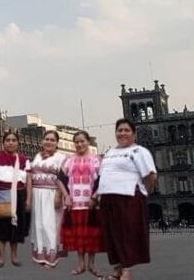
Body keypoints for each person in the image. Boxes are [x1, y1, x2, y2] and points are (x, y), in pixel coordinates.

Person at [94, 118, 157, 280]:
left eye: (126, 130)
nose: (122, 133)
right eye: (119, 130)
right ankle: (117, 270)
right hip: (108, 199)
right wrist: (95, 195)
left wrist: (144, 193)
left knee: (125, 234)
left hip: (127, 198)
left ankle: (127, 272)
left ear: (134, 134)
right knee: (112, 235)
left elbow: (151, 176)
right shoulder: (110, 153)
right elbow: (103, 176)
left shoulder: (139, 151)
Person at [60, 130, 104, 276]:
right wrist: (66, 196)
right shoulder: (69, 160)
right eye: (77, 142)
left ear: (88, 142)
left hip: (91, 202)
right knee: (79, 234)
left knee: (91, 234)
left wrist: (95, 196)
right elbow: (60, 179)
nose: (79, 144)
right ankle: (80, 264)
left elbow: (102, 179)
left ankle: (91, 264)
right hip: (75, 202)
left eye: (82, 141)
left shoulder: (96, 160)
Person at [0, 131, 30, 268]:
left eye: (13, 140)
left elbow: (29, 180)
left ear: (18, 143)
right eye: (8, 140)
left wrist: (29, 199)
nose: (10, 142)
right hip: (1, 194)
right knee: (1, 227)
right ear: (3, 143)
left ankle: (14, 256)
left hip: (19, 194)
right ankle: (0, 257)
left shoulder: (24, 159)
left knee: (15, 227)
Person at [27, 129, 69, 268]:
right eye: (47, 139)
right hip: (37, 193)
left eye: (52, 140)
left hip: (51, 193)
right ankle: (41, 255)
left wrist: (59, 194)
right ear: (42, 141)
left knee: (50, 225)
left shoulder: (61, 157)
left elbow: (62, 178)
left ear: (57, 143)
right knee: (38, 225)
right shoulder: (38, 156)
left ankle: (52, 257)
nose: (49, 142)